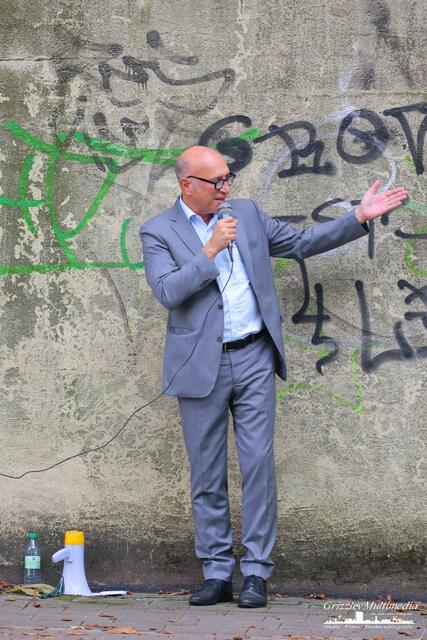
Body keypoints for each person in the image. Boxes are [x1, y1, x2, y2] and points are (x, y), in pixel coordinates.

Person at [140, 146, 408, 608]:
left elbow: (300, 243)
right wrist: (210, 249)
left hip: (254, 356)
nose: (226, 188)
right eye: (217, 182)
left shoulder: (245, 213)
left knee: (259, 466)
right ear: (187, 185)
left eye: (228, 178)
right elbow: (167, 291)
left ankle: (256, 572)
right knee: (207, 473)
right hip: (199, 364)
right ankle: (216, 572)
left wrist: (357, 218)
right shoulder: (158, 230)